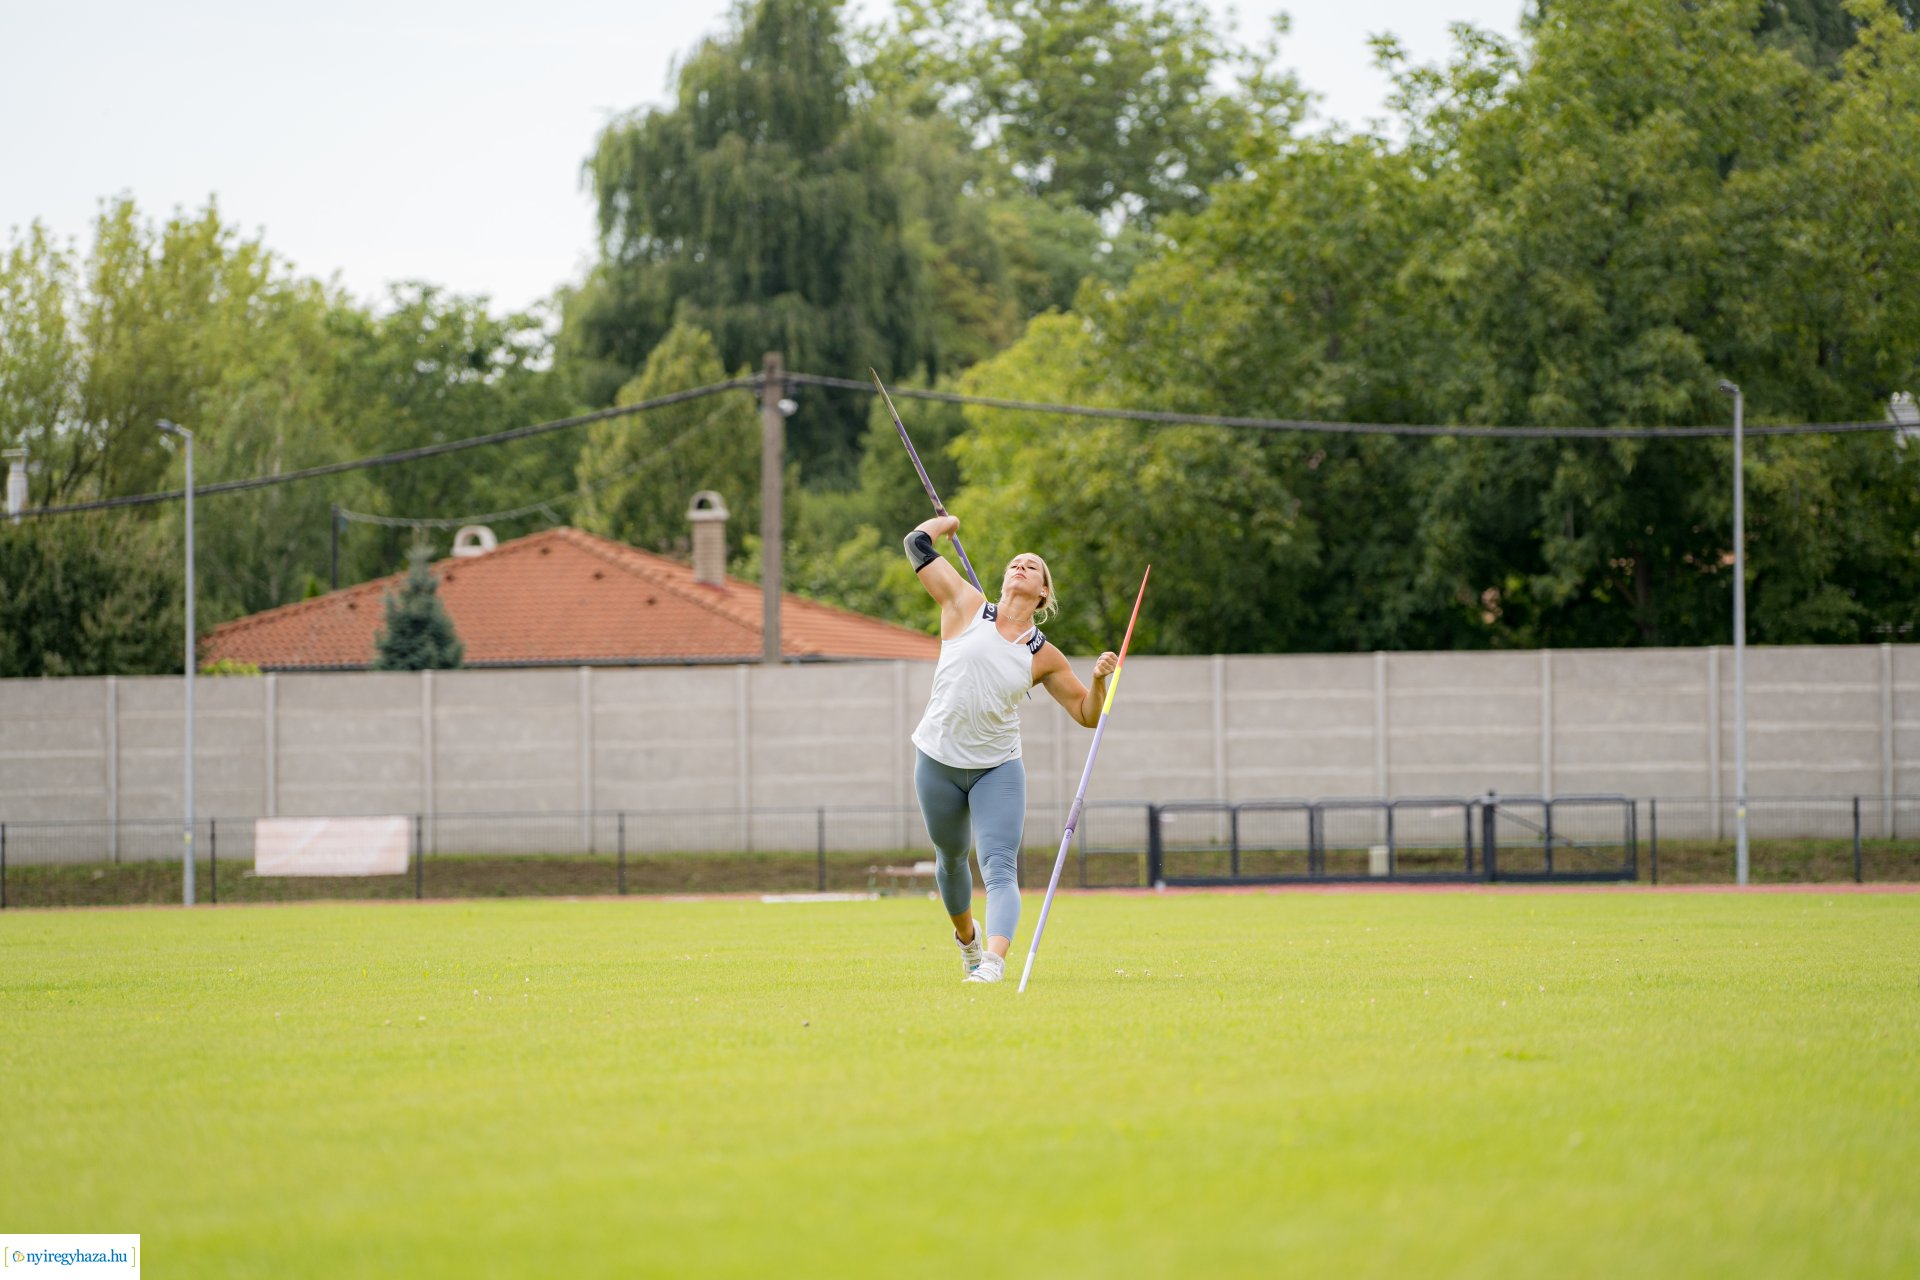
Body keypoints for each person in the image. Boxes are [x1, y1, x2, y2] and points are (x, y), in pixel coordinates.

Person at [904, 514, 1119, 984]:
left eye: (1032, 566)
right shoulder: (964, 603)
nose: (1021, 567)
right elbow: (916, 544)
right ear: (1003, 579)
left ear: (1043, 592)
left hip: (996, 768)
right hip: (937, 759)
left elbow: (1086, 713)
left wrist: (1100, 680)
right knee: (951, 859)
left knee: (999, 866)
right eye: (1015, 563)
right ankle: (968, 941)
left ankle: (993, 963)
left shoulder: (1044, 654)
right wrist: (948, 523)